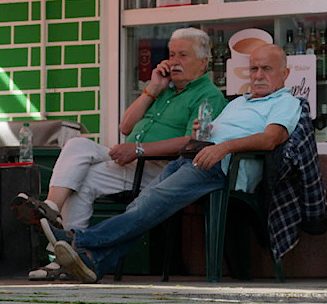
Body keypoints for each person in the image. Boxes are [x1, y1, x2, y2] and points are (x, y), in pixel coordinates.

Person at [44, 43, 301, 283]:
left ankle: (78, 239)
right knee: (144, 203)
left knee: (150, 200)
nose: (258, 75)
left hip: (223, 168)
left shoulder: (286, 102)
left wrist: (222, 147)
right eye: (254, 68)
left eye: (266, 69)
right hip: (195, 156)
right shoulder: (240, 102)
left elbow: (271, 139)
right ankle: (94, 262)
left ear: (285, 73)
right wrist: (206, 131)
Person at [24, 27, 226, 280]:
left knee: (83, 179)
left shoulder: (209, 96)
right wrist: (152, 88)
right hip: (130, 163)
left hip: (159, 169)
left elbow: (190, 142)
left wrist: (139, 150)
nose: (174, 61)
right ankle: (53, 212)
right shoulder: (163, 89)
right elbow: (125, 127)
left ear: (203, 62)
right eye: (172, 55)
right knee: (77, 151)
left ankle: (68, 251)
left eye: (183, 56)